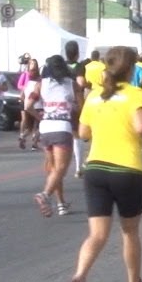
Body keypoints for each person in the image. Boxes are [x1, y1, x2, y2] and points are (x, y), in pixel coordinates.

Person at [64, 46, 142, 282]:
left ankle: (80, 275)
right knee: (129, 231)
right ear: (130, 69)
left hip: (96, 169)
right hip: (127, 169)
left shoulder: (94, 96)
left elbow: (82, 133)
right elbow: (141, 127)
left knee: (97, 234)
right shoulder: (134, 94)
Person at [28, 55, 77, 217]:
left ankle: (61, 203)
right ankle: (45, 195)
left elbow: (28, 105)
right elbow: (79, 107)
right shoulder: (71, 84)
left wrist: (39, 116)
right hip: (62, 127)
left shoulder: (40, 84)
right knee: (61, 169)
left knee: (53, 169)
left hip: (46, 128)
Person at [65, 40, 87, 178]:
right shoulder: (79, 67)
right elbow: (80, 83)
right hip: (74, 102)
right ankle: (78, 167)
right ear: (77, 53)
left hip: (61, 103)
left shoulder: (62, 66)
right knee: (76, 136)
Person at [17, 57, 41, 151]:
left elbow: (22, 94)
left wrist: (24, 101)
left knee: (30, 127)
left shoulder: (28, 84)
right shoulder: (38, 83)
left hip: (28, 105)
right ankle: (34, 144)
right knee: (39, 125)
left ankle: (23, 136)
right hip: (37, 106)